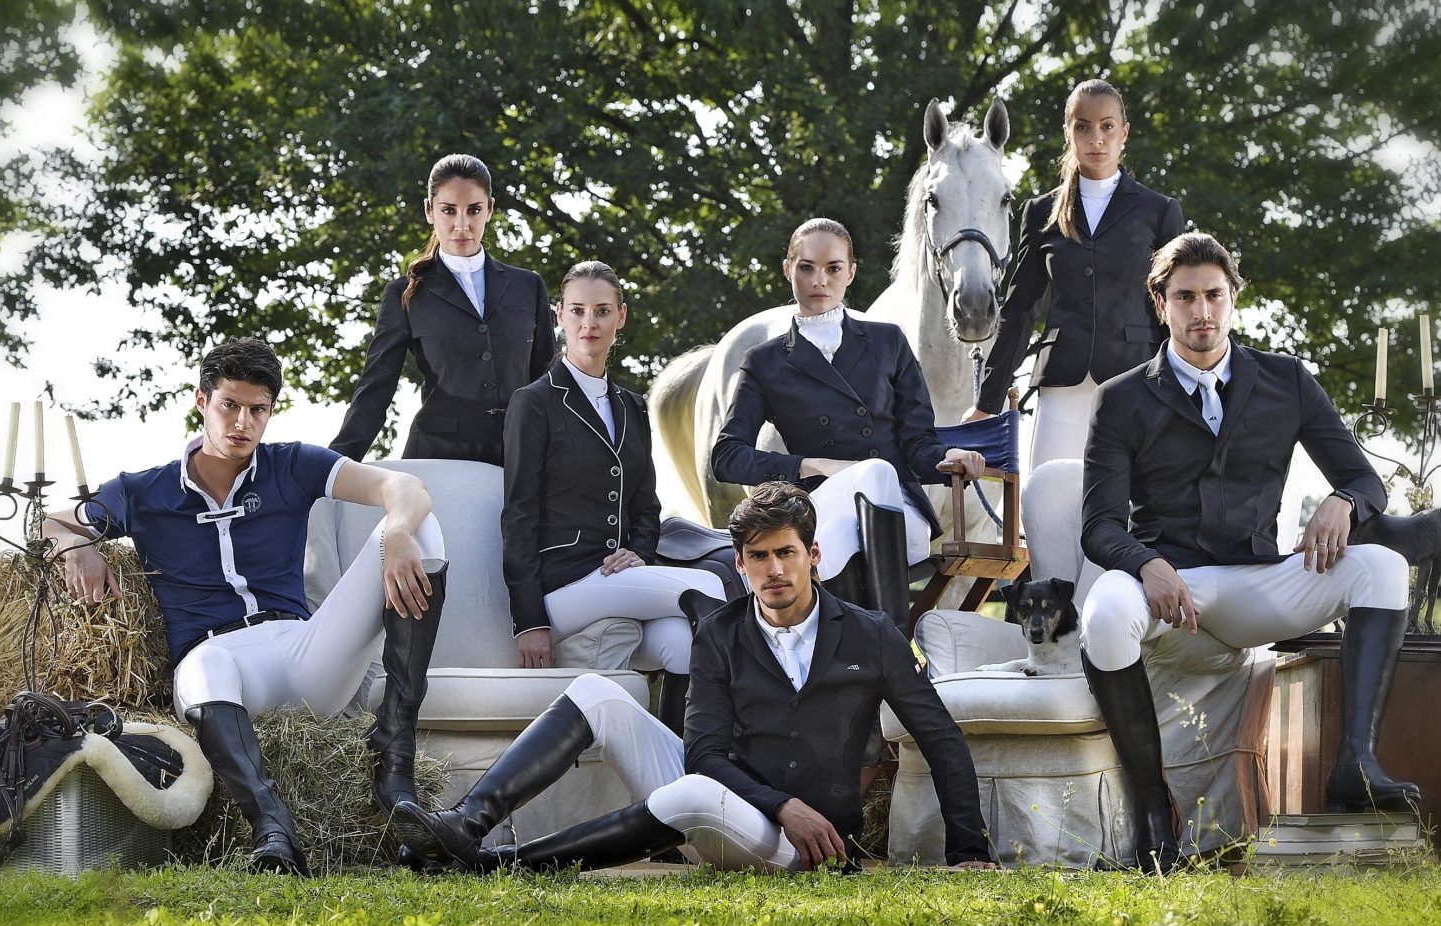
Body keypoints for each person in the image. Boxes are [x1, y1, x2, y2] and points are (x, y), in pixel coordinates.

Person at [391, 483, 996, 873]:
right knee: (597, 693)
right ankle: (465, 827)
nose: (774, 570)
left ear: (813, 556)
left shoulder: (874, 635)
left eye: (786, 553)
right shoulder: (719, 632)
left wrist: (969, 851)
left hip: (804, 847)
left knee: (693, 794)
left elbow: (940, 737)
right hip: (740, 805)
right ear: (740, 563)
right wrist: (782, 803)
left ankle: (503, 865)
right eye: (758, 557)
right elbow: (703, 752)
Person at [46, 337, 449, 875]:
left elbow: (405, 486)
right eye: (229, 405)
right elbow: (48, 521)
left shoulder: (293, 464)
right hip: (217, 667)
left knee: (422, 526)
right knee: (207, 665)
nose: (242, 422)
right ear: (201, 401)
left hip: (302, 653)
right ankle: (273, 830)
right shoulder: (142, 491)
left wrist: (396, 528)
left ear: (270, 410)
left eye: (257, 409)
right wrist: (76, 545)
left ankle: (393, 764)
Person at [1079, 233, 1417, 872]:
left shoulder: (1287, 380)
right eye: (1185, 297)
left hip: (1258, 583)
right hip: (1171, 586)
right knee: (1104, 613)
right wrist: (1146, 564)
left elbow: (1365, 478)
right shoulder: (1121, 398)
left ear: (1233, 297)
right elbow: (1098, 526)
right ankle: (1153, 816)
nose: (1201, 311)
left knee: (1383, 566)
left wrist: (1343, 500)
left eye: (1214, 295)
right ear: (1161, 303)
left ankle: (1356, 763)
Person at [710, 218, 984, 620]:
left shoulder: (889, 341)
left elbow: (918, 443)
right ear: (788, 269)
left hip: (900, 514)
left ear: (850, 273)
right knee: (832, 534)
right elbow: (726, 456)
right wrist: (810, 465)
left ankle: (857, 637)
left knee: (874, 473)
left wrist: (949, 456)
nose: (819, 280)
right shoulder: (765, 361)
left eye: (833, 268)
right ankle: (887, 642)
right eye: (807, 267)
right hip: (820, 506)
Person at [502, 260, 728, 734]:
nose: (590, 323)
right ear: (559, 315)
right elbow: (518, 516)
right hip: (563, 587)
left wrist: (639, 552)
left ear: (620, 316)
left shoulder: (632, 406)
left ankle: (681, 762)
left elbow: (646, 505)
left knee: (681, 644)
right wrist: (529, 622)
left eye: (602, 311)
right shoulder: (534, 402)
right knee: (709, 586)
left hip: (620, 580)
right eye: (578, 311)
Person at [965, 79, 1186, 469]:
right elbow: (1020, 309)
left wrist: (1187, 387)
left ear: (1124, 132)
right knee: (1047, 496)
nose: (1096, 138)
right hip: (1061, 384)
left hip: (1139, 381)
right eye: (1083, 126)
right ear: (1068, 132)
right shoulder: (1040, 212)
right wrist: (987, 402)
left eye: (1107, 126)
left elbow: (1177, 304)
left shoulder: (1159, 211)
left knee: (1134, 500)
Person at [329, 153, 555, 465]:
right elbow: (375, 390)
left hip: (516, 460)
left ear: (490, 209)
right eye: (448, 210)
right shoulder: (404, 294)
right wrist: (330, 468)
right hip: (436, 461)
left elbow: (548, 383)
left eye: (474, 210)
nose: (462, 225)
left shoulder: (528, 287)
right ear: (429, 210)